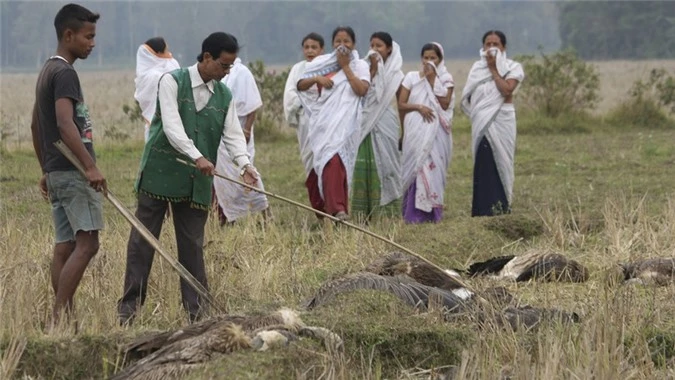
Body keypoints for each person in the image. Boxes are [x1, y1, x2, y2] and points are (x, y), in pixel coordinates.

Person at [118, 32, 259, 325]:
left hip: (197, 180)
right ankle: (128, 311)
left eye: (230, 67)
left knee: (192, 246)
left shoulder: (224, 95)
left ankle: (198, 313)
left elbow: (233, 135)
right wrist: (197, 156)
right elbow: (171, 126)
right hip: (161, 172)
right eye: (223, 65)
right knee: (143, 242)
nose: (226, 72)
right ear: (207, 57)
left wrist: (245, 165)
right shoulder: (172, 81)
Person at [30, 3, 105, 329]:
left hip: (57, 170)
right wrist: (89, 166)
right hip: (74, 172)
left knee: (66, 245)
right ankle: (58, 318)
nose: (92, 43)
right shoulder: (65, 73)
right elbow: (63, 123)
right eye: (88, 37)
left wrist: (46, 168)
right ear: (68, 35)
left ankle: (66, 320)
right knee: (88, 244)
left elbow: (35, 124)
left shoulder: (47, 70)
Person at [296, 26, 370, 222]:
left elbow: (362, 90)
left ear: (353, 44)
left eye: (346, 41)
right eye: (338, 41)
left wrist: (345, 67)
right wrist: (317, 78)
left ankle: (338, 209)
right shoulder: (322, 62)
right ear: (332, 44)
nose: (342, 45)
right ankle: (333, 210)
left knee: (338, 163)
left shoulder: (360, 65)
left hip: (346, 125)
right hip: (323, 124)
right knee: (327, 162)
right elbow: (300, 85)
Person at [461, 30, 524, 217]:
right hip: (482, 122)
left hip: (502, 120)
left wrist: (493, 69)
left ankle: (502, 206)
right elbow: (469, 97)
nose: (491, 48)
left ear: (503, 47)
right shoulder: (476, 69)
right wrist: (481, 110)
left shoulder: (513, 67)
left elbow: (507, 90)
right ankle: (482, 208)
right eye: (488, 44)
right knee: (484, 160)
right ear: (482, 47)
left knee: (502, 161)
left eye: (495, 44)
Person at [398, 42, 455, 224]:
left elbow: (445, 103)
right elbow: (401, 104)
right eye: (426, 58)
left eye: (433, 58)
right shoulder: (412, 77)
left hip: (436, 134)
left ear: (440, 60)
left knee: (433, 170)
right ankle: (412, 214)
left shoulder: (446, 79)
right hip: (416, 131)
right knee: (416, 167)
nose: (429, 61)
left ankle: (431, 213)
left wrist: (432, 80)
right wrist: (419, 107)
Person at [351, 31, 404, 221]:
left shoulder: (397, 75)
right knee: (361, 164)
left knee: (388, 166)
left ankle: (386, 215)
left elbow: (399, 104)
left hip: (386, 122)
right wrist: (372, 70)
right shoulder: (363, 69)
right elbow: (361, 94)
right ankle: (361, 214)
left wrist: (404, 131)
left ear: (389, 49)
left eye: (379, 46)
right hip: (365, 122)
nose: (374, 50)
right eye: (372, 45)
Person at [212, 55, 269, 225]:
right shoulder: (216, 72)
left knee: (246, 172)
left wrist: (247, 128)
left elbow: (253, 105)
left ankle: (265, 212)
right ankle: (225, 217)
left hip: (240, 133)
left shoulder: (242, 72)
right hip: (220, 134)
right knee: (221, 176)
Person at [283, 32, 324, 181]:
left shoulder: (328, 67)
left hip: (326, 118)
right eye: (306, 47)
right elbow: (290, 92)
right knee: (308, 155)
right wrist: (302, 104)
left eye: (314, 47)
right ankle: (315, 195)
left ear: (322, 49)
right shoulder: (298, 69)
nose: (310, 51)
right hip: (305, 118)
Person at [134, 36, 180, 142]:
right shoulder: (152, 76)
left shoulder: (161, 69)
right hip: (157, 126)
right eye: (166, 50)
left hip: (174, 125)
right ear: (158, 53)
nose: (169, 53)